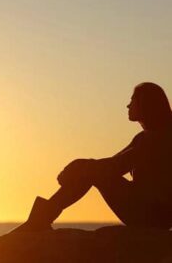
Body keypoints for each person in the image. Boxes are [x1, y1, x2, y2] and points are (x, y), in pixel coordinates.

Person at [14, 82, 172, 232]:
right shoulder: (144, 138)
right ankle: (40, 219)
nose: (128, 105)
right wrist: (82, 168)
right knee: (91, 171)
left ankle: (39, 219)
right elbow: (112, 163)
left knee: (92, 172)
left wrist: (79, 166)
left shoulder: (159, 138)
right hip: (148, 209)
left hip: (153, 215)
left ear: (145, 104)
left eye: (133, 100)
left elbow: (114, 167)